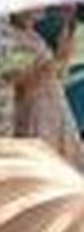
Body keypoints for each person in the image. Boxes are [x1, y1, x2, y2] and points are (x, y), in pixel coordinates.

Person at [12, 9, 84, 164]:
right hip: (36, 112)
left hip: (54, 108)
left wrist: (63, 54)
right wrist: (51, 65)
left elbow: (57, 75)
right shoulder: (12, 36)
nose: (40, 7)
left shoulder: (33, 34)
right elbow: (18, 85)